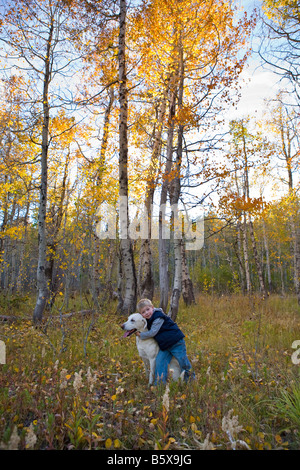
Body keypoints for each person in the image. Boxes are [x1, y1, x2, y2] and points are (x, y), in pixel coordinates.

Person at [136, 298, 194, 385]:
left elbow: (153, 332)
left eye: (148, 309)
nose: (146, 313)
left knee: (183, 361)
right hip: (165, 346)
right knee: (160, 362)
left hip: (176, 342)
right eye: (143, 312)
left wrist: (141, 335)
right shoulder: (148, 319)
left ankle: (190, 380)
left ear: (152, 307)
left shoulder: (158, 316)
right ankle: (159, 384)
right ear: (141, 314)